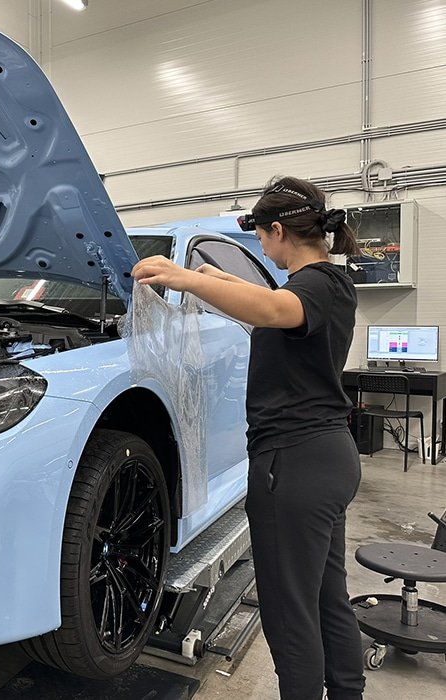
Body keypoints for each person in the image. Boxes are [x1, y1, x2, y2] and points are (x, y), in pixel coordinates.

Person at [132, 176, 364, 700]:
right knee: (326, 599)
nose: (262, 248)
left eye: (260, 238)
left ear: (278, 231)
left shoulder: (313, 287)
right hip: (327, 459)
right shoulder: (331, 282)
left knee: (289, 616)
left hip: (294, 466)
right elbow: (270, 300)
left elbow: (274, 310)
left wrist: (185, 280)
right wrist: (216, 277)